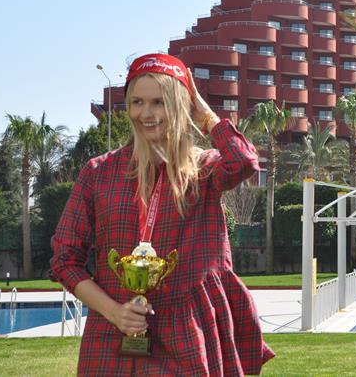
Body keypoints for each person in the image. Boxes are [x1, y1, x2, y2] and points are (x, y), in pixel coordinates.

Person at [51, 53, 275, 375]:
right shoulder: (98, 173)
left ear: (181, 105)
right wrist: (114, 312)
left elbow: (244, 162)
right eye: (137, 102)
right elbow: (65, 260)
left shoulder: (204, 169)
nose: (146, 113)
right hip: (114, 331)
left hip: (187, 332)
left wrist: (206, 116)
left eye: (160, 102)